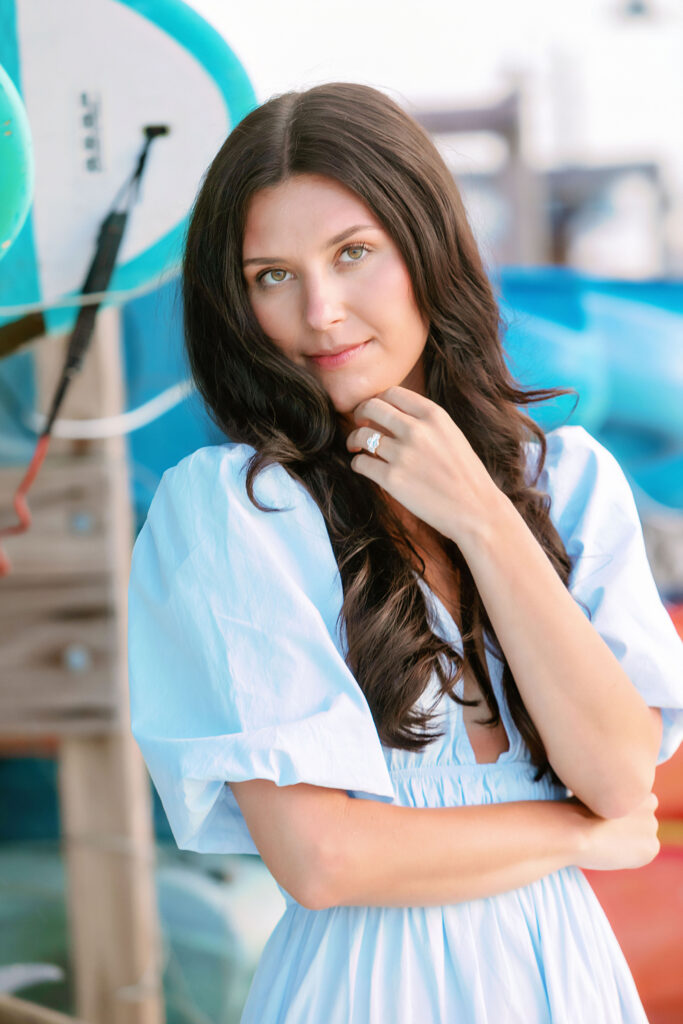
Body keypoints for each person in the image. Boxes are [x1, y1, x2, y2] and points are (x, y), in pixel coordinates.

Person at [127, 82, 683, 1023]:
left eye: (353, 255)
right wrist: (574, 833)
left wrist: (481, 514)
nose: (321, 312)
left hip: (567, 980)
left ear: (426, 248)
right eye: (273, 275)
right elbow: (323, 859)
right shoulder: (234, 511)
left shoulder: (572, 482)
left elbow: (622, 775)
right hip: (366, 988)